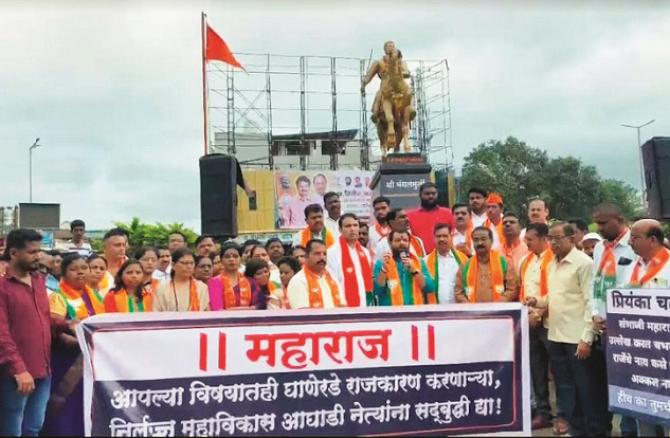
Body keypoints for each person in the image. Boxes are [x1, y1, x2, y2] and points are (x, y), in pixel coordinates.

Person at [529, 222, 607, 436]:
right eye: (550, 239)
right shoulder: (552, 263)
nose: (552, 243)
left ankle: (596, 432)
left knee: (587, 391)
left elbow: (591, 302)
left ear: (571, 239)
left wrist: (587, 338)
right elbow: (556, 297)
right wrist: (538, 300)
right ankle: (577, 431)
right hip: (556, 337)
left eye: (557, 238)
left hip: (578, 339)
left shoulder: (584, 264)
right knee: (565, 391)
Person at [0, 229, 72, 437]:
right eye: (32, 252)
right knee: (12, 428)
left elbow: (43, 317)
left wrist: (67, 324)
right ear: (13, 254)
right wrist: (19, 370)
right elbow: (3, 334)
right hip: (16, 374)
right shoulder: (3, 288)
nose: (38, 256)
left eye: (39, 251)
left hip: (43, 368)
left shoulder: (39, 282)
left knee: (34, 427)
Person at [43, 254, 104, 436]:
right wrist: (79, 342)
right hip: (68, 360)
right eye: (74, 269)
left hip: (92, 359)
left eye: (84, 268)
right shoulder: (58, 296)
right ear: (63, 272)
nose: (80, 273)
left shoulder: (95, 295)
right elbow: (56, 329)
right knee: (67, 404)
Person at [626, 219, 670, 436]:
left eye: (635, 237)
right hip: (639, 353)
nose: (630, 242)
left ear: (653, 240)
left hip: (665, 353)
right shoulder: (632, 267)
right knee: (643, 407)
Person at [519, 223, 559, 432]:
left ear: (543, 238)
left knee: (559, 370)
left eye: (530, 239)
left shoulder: (554, 258)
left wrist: (539, 313)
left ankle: (563, 415)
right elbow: (522, 289)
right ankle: (543, 413)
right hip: (529, 323)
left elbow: (555, 290)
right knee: (537, 369)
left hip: (550, 321)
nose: (526, 243)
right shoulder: (525, 261)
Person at [455, 227, 518, 303]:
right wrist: (467, 305)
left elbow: (512, 289)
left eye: (483, 239)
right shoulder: (465, 266)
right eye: (476, 240)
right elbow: (458, 292)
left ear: (491, 241)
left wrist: (498, 305)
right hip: (473, 312)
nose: (479, 243)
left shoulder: (504, 263)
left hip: (499, 312)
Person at [373, 230, 435, 306]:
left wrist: (414, 271)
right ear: (390, 243)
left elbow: (430, 288)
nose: (401, 243)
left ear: (409, 243)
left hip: (415, 313)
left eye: (405, 240)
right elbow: (376, 291)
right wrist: (384, 270)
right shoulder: (382, 263)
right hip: (390, 315)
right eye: (397, 240)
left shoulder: (419, 262)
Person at [326, 214, 373, 307]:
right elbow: (332, 283)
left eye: (355, 225)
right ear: (340, 230)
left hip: (363, 305)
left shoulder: (365, 252)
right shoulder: (332, 253)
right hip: (341, 306)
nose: (352, 229)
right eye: (348, 226)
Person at [287, 239, 344, 309]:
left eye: (324, 254)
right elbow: (302, 314)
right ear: (306, 256)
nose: (322, 257)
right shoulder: (298, 281)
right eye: (317, 253)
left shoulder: (332, 278)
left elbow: (343, 306)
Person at [208, 243, 264, 310]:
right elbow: (217, 309)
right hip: (223, 320)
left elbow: (260, 304)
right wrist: (247, 309)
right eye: (227, 257)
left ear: (240, 259)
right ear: (221, 260)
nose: (231, 259)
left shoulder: (250, 281)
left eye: (235, 256)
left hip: (248, 319)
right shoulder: (214, 282)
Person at [424, 223, 468, 304]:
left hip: (459, 309)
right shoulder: (425, 261)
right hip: (435, 311)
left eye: (445, 236)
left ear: (451, 237)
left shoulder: (463, 259)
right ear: (434, 238)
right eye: (438, 236)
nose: (442, 239)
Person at [406, 182, 455, 254]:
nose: (431, 196)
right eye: (427, 194)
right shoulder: (409, 216)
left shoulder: (448, 213)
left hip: (443, 256)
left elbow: (454, 235)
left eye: (433, 193)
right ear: (420, 195)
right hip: (419, 259)